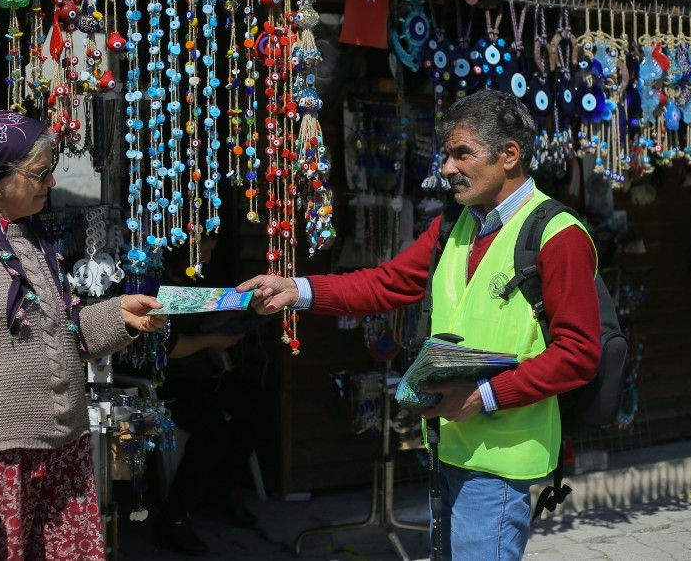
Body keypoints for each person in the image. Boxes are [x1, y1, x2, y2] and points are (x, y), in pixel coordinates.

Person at [238, 90, 602, 560]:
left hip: (500, 457)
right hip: (448, 444)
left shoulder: (559, 236)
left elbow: (579, 354)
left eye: (461, 153)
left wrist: (482, 395)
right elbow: (387, 283)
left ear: (509, 155)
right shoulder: (454, 225)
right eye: (446, 155)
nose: (446, 168)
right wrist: (297, 289)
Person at [0, 111, 166, 560]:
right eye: (39, 174)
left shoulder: (30, 238)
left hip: (64, 449)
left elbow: (59, 333)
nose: (51, 182)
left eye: (50, 171)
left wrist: (120, 315)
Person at [138, 234, 265, 556]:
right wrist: (212, 340)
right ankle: (173, 518)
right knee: (213, 432)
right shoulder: (156, 287)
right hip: (168, 384)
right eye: (203, 251)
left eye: (211, 252)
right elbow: (169, 347)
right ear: (182, 249)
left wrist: (220, 321)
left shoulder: (193, 282)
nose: (207, 259)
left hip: (201, 376)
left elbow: (194, 323)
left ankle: (225, 486)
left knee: (255, 407)